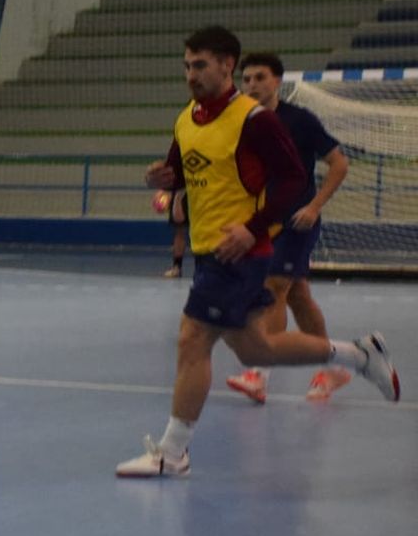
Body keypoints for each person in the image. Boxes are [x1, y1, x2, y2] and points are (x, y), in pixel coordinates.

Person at [118, 26, 398, 479]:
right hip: (208, 248)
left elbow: (291, 180)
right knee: (257, 349)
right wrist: (163, 178)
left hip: (241, 252)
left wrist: (252, 230)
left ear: (227, 65)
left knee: (193, 339)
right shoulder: (187, 117)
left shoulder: (255, 120)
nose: (192, 74)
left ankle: (173, 452)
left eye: (201, 65)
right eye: (187, 65)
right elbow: (181, 171)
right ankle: (359, 355)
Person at [225, 51, 353, 404]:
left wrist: (314, 207)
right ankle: (334, 368)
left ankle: (259, 374)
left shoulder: (300, 120)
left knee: (274, 287)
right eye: (247, 78)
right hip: (262, 222)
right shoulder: (239, 122)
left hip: (297, 220)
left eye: (260, 77)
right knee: (298, 296)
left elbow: (339, 164)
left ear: (277, 81)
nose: (252, 84)